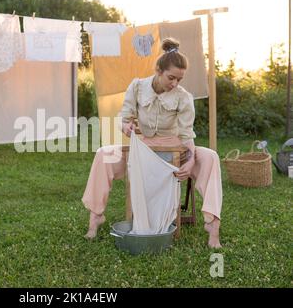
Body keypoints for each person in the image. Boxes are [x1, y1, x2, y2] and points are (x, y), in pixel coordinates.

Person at [82, 38, 222, 248]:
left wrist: (191, 161)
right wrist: (126, 127)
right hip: (142, 151)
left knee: (210, 157)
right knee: (104, 154)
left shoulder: (183, 97)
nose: (174, 83)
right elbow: (124, 116)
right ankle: (95, 216)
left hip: (175, 151)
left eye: (179, 79)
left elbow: (186, 135)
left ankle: (212, 224)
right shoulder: (137, 87)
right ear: (158, 70)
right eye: (171, 77)